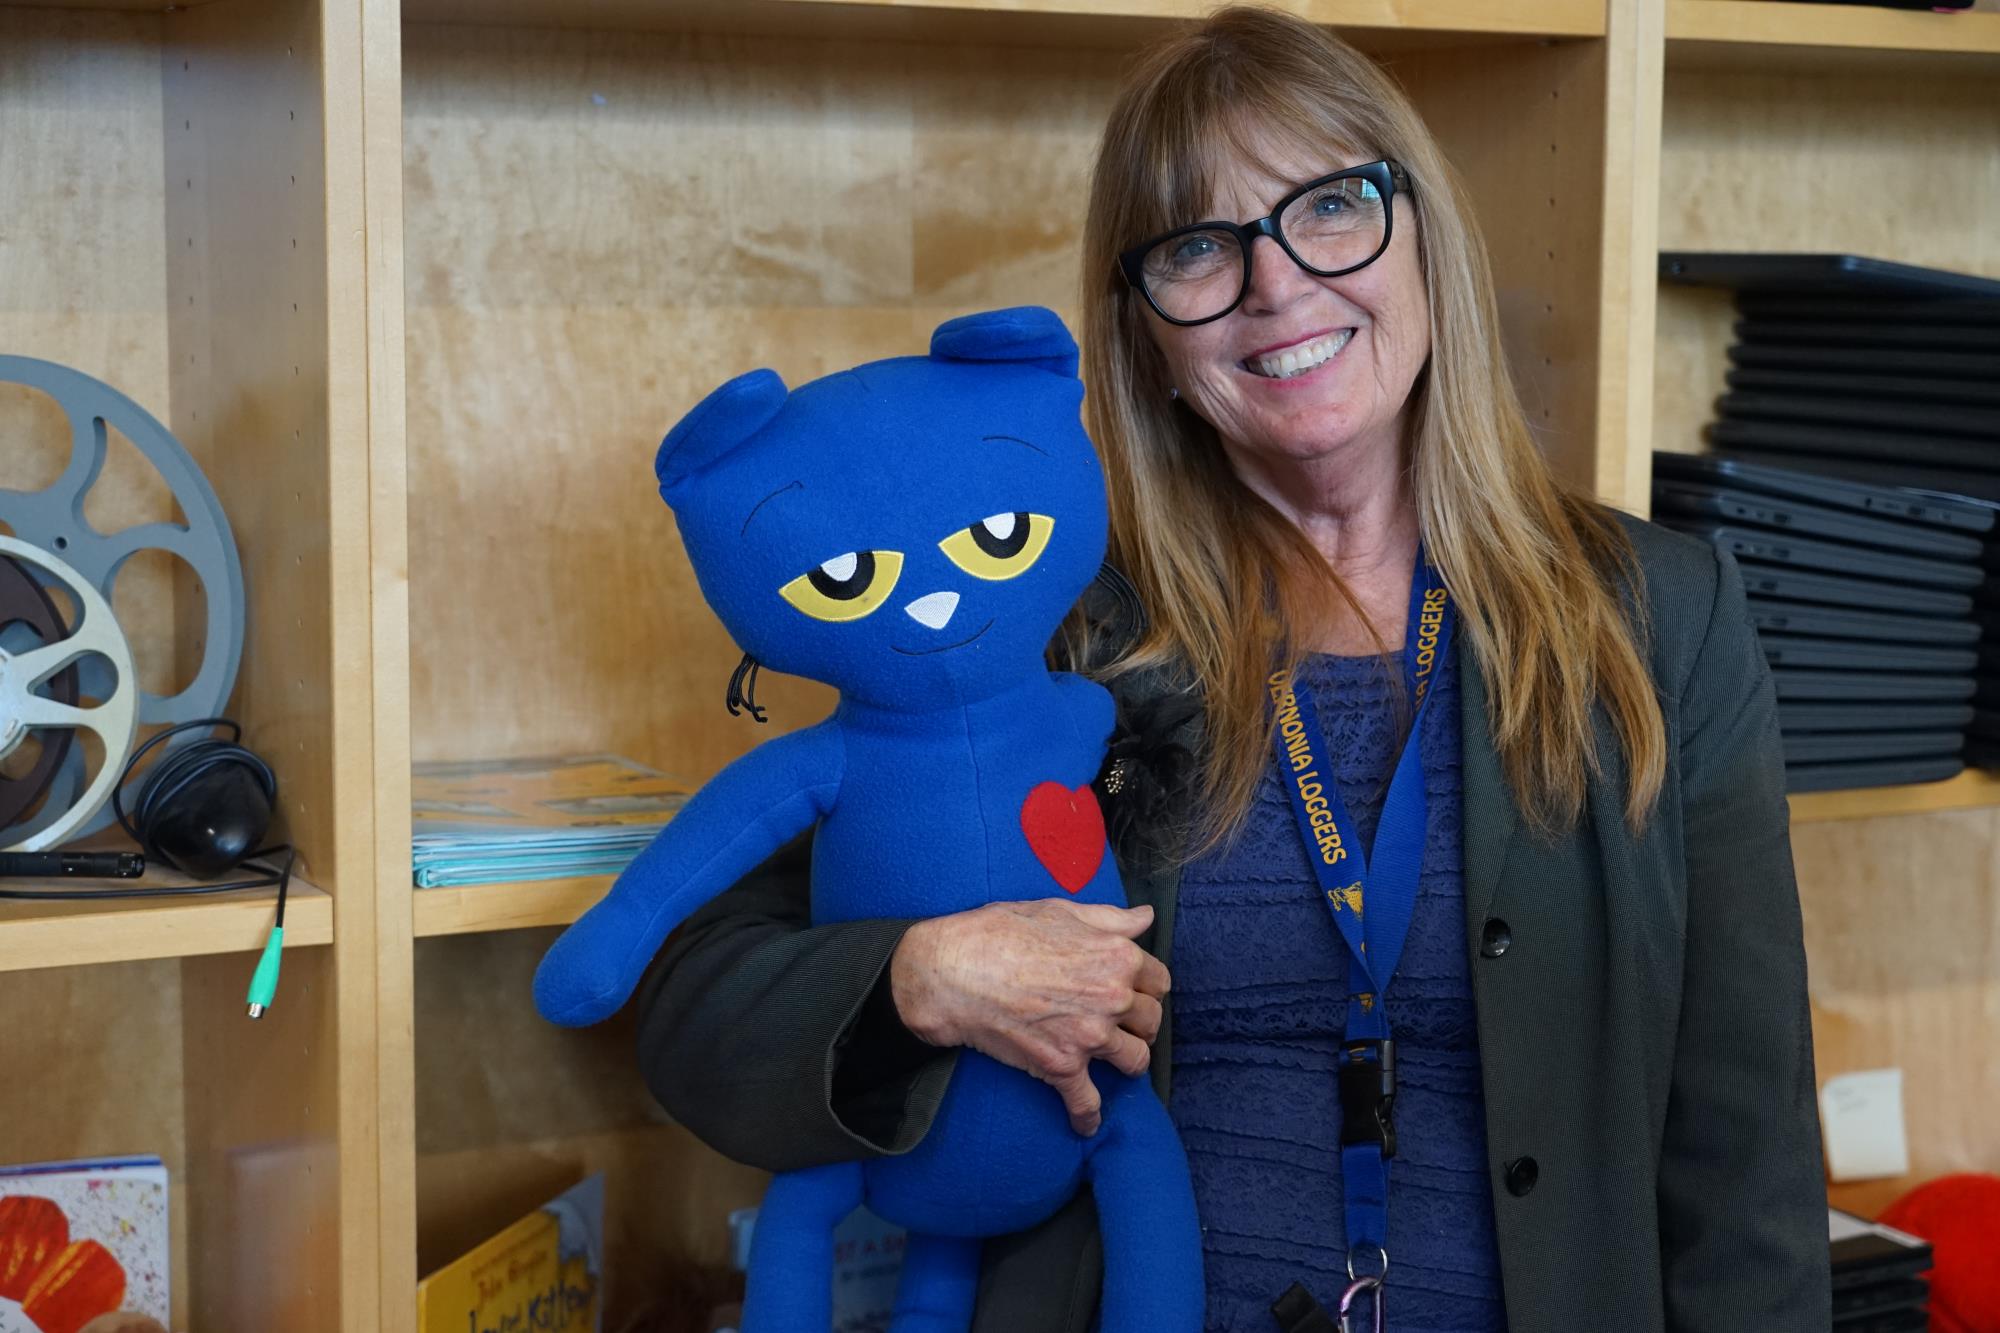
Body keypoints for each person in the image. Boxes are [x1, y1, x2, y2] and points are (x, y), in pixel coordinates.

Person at [632, 7, 1830, 1330]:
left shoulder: (1658, 618)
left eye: (1328, 208)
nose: (1276, 286)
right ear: (1144, 326)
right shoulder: (1050, 632)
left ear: (1423, 229)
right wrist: (917, 974)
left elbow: (1745, 1152)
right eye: (1200, 247)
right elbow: (695, 1008)